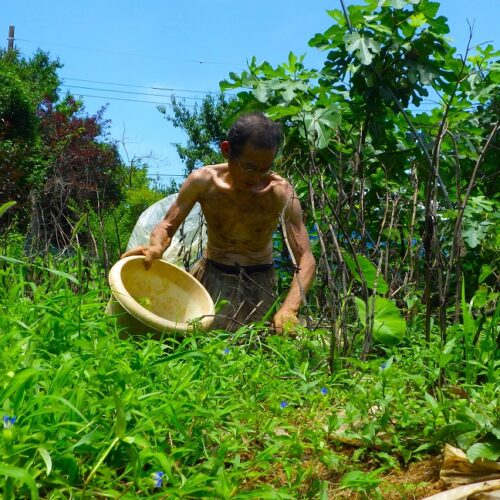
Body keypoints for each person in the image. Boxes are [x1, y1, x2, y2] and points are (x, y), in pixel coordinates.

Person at [122, 112, 316, 333]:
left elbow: (306, 259)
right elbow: (167, 225)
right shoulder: (203, 181)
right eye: (249, 168)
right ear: (226, 150)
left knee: (253, 353)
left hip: (259, 284)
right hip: (210, 278)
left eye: (266, 169)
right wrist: (157, 246)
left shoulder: (280, 192)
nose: (257, 178)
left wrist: (290, 308)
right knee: (197, 348)